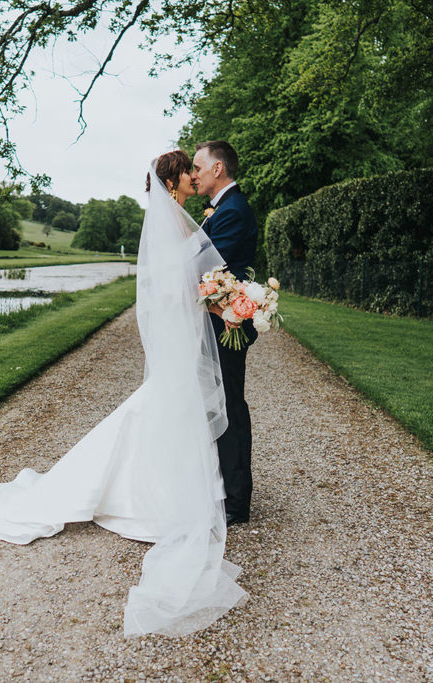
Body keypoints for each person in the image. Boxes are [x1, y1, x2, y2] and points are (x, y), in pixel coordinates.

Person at [0, 150, 247, 637]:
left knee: (169, 410)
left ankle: (171, 491)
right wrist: (218, 293)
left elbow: (196, 276)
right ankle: (154, 497)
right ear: (175, 179)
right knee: (166, 408)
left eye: (198, 168)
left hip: (186, 331)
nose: (195, 175)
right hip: (182, 333)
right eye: (189, 170)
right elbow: (175, 283)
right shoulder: (172, 223)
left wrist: (219, 293)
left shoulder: (183, 220)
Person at [191, 141, 258, 526]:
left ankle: (236, 501)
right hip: (216, 322)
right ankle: (219, 486)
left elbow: (213, 273)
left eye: (199, 167)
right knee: (216, 403)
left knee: (230, 406)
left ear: (218, 169)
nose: (194, 173)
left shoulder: (232, 211)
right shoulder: (223, 209)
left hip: (226, 325)